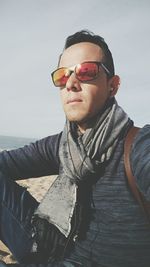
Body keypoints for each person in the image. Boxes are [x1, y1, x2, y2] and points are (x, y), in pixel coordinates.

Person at [0, 29, 150, 267]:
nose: (70, 83)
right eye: (62, 76)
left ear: (113, 86)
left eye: (86, 71)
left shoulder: (139, 146)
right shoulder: (62, 145)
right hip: (49, 246)